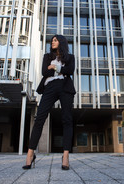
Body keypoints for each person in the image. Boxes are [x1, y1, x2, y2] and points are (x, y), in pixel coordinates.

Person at [22, 34, 76, 170]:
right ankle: (30, 154)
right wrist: (59, 70)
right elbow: (44, 72)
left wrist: (54, 68)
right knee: (39, 118)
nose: (53, 42)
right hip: (50, 87)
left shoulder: (70, 57)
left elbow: (70, 70)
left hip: (65, 86)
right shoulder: (47, 57)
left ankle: (65, 156)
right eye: (52, 40)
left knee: (67, 120)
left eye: (56, 40)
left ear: (61, 42)